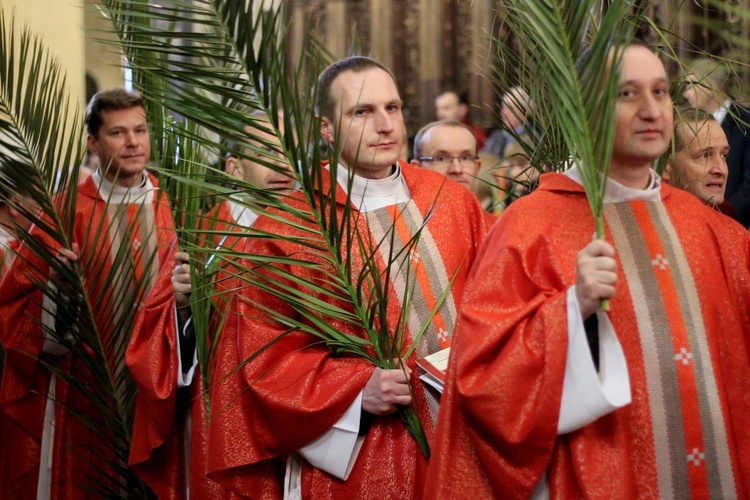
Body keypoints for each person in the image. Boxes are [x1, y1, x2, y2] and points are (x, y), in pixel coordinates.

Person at [426, 43, 750, 498]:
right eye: (627, 94)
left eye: (660, 91)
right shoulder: (530, 226)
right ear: (584, 111)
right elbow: (481, 377)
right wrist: (570, 308)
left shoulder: (715, 231)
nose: (652, 109)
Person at [206, 56, 490, 498]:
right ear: (325, 127)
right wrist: (358, 391)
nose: (384, 125)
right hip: (368, 457)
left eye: (392, 108)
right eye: (362, 111)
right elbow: (264, 357)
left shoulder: (452, 203)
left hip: (466, 439)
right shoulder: (290, 226)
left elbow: (498, 307)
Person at [0, 88, 175, 497]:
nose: (133, 142)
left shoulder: (172, 206)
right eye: (118, 132)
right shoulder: (62, 212)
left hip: (162, 395)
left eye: (140, 130)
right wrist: (55, 289)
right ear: (93, 143)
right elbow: (13, 307)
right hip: (86, 396)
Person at [126, 112, 297, 499]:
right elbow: (152, 347)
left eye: (286, 150)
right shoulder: (203, 237)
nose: (281, 163)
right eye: (265, 150)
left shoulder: (318, 234)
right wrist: (183, 308)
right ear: (234, 167)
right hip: (225, 418)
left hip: (305, 421)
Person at [683, 57, 750, 226]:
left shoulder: (745, 122)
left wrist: (719, 219)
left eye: (691, 85)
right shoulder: (688, 124)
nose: (686, 94)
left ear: (710, 87)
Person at [663, 106, 731, 210]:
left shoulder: (731, 222)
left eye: (723, 155)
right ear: (665, 166)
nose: (721, 170)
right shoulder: (640, 222)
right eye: (704, 156)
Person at [482, 86, 534, 158]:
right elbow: (484, 161)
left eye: (509, 108)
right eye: (503, 108)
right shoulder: (496, 137)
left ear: (525, 111)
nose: (503, 113)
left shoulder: (536, 139)